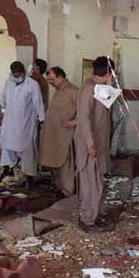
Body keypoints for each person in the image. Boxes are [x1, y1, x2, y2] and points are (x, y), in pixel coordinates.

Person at [75, 56, 114, 232]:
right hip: (90, 145)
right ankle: (88, 220)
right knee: (93, 184)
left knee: (93, 182)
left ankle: (89, 215)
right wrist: (90, 143)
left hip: (97, 142)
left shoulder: (99, 88)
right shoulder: (89, 88)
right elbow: (84, 118)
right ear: (108, 73)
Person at [0, 61, 45, 189]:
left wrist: (42, 119)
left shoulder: (32, 85)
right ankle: (6, 170)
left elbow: (38, 103)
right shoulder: (9, 82)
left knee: (27, 150)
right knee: (7, 147)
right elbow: (3, 97)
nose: (16, 77)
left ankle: (29, 179)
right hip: (10, 122)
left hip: (25, 124)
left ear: (23, 73)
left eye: (18, 75)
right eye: (14, 75)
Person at [39, 67, 79, 195]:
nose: (51, 83)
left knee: (65, 163)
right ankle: (58, 186)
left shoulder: (73, 91)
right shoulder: (57, 90)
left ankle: (67, 190)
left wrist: (74, 122)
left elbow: (86, 112)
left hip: (64, 135)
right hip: (52, 134)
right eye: (49, 81)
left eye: (52, 80)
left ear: (61, 77)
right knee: (53, 162)